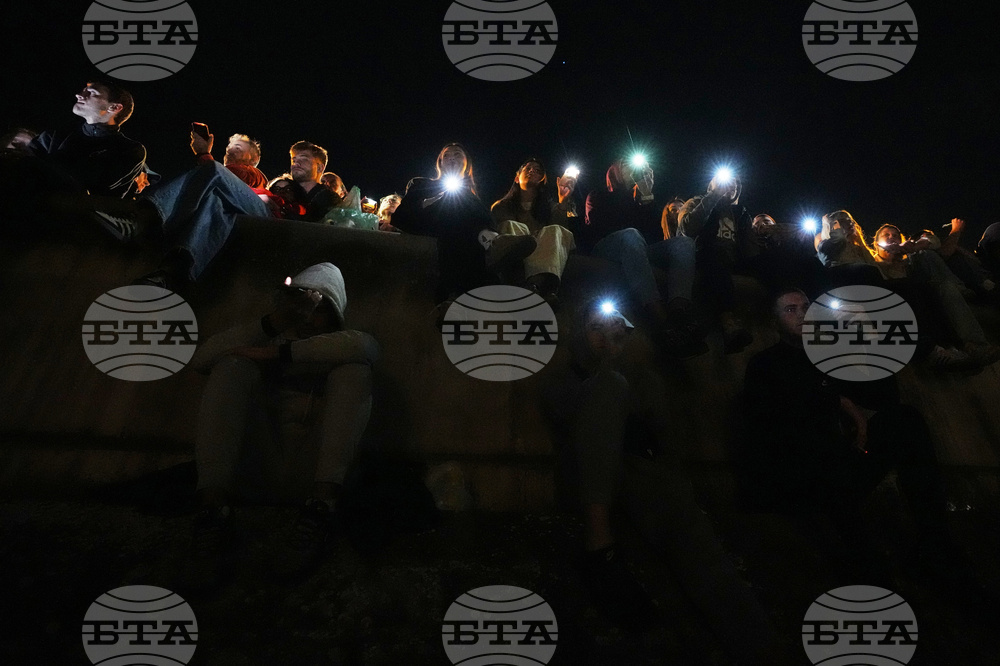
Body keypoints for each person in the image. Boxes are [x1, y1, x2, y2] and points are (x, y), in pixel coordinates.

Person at [542, 299, 790, 663]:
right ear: (580, 332)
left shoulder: (642, 378)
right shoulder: (562, 382)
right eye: (596, 328)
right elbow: (578, 428)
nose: (605, 337)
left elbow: (665, 437)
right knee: (656, 605)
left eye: (615, 330)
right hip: (604, 494)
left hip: (654, 487)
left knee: (714, 578)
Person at [742, 289, 969, 585]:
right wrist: (840, 402)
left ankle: (934, 541)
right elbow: (772, 420)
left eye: (806, 307)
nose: (801, 314)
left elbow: (879, 396)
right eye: (790, 310)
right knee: (863, 555)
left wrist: (864, 334)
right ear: (775, 322)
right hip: (802, 469)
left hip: (842, 461)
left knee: (906, 419)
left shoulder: (831, 357)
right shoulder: (765, 364)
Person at [185, 262, 380, 587]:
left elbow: (365, 347)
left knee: (356, 371)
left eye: (318, 309)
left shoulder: (343, 345)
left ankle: (322, 507)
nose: (307, 318)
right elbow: (201, 360)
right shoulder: (262, 343)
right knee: (233, 364)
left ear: (334, 315)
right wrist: (276, 323)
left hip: (314, 480)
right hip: (255, 472)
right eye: (300, 308)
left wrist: (280, 356)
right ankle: (213, 511)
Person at [582, 159, 704, 357]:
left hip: (636, 248)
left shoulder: (639, 199)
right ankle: (659, 317)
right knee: (631, 234)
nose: (631, 169)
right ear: (613, 171)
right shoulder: (597, 195)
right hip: (606, 247)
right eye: (625, 165)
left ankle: (679, 312)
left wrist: (647, 196)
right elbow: (600, 225)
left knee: (684, 243)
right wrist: (629, 193)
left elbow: (653, 234)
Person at [390, 143, 535, 304]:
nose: (451, 157)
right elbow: (401, 217)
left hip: (452, 228)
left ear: (467, 165)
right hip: (426, 221)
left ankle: (452, 296)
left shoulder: (469, 195)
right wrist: (438, 193)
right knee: (454, 206)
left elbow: (484, 217)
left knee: (457, 222)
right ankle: (491, 242)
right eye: (446, 155)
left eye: (458, 154)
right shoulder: (420, 183)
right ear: (439, 162)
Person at [872, 224, 1000, 367]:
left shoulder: (912, 261)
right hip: (909, 299)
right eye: (886, 235)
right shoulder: (874, 265)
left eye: (895, 235)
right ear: (876, 243)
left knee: (944, 284)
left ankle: (976, 346)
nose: (892, 238)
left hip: (929, 288)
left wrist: (914, 246)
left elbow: (933, 242)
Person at [677, 173, 755, 352]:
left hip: (735, 260)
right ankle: (728, 323)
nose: (733, 185)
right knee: (714, 255)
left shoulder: (741, 214)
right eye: (727, 181)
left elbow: (752, 252)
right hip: (706, 255)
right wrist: (713, 196)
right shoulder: (697, 202)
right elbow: (686, 231)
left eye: (736, 183)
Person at [489, 158, 577, 301]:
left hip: (542, 252)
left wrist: (563, 200)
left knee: (556, 230)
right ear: (517, 178)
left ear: (542, 180)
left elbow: (560, 232)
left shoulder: (549, 209)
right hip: (517, 256)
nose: (532, 171)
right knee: (511, 226)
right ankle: (518, 283)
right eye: (527, 168)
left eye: (537, 170)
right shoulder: (501, 207)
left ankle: (537, 285)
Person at [813, 209, 884, 286]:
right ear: (832, 226)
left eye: (850, 220)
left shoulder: (861, 249)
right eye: (842, 221)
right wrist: (829, 223)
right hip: (843, 288)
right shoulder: (826, 246)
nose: (849, 223)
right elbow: (839, 238)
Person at [190, 131, 268, 189]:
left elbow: (218, 177)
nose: (229, 151)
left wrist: (203, 153)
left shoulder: (248, 172)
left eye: (237, 148)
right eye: (229, 147)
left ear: (254, 158)